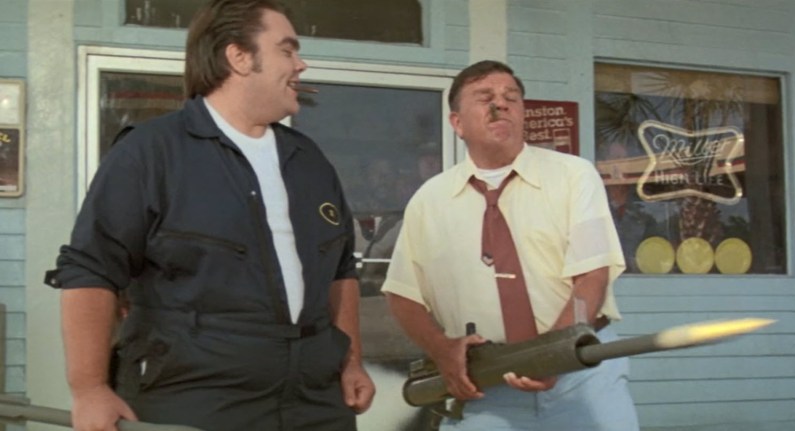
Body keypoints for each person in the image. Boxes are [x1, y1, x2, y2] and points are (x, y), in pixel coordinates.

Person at [45, 1, 374, 430]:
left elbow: (340, 269)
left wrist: (351, 362)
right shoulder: (151, 152)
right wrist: (89, 388)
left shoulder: (308, 160)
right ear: (239, 57)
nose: (301, 64)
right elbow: (91, 269)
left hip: (315, 402)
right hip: (195, 401)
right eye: (287, 50)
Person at [382, 60, 640, 430]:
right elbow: (403, 295)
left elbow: (591, 277)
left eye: (511, 97)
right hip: (486, 383)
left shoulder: (573, 176)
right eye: (485, 97)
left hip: (580, 372)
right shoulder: (429, 201)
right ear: (457, 123)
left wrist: (552, 354)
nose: (500, 104)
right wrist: (442, 350)